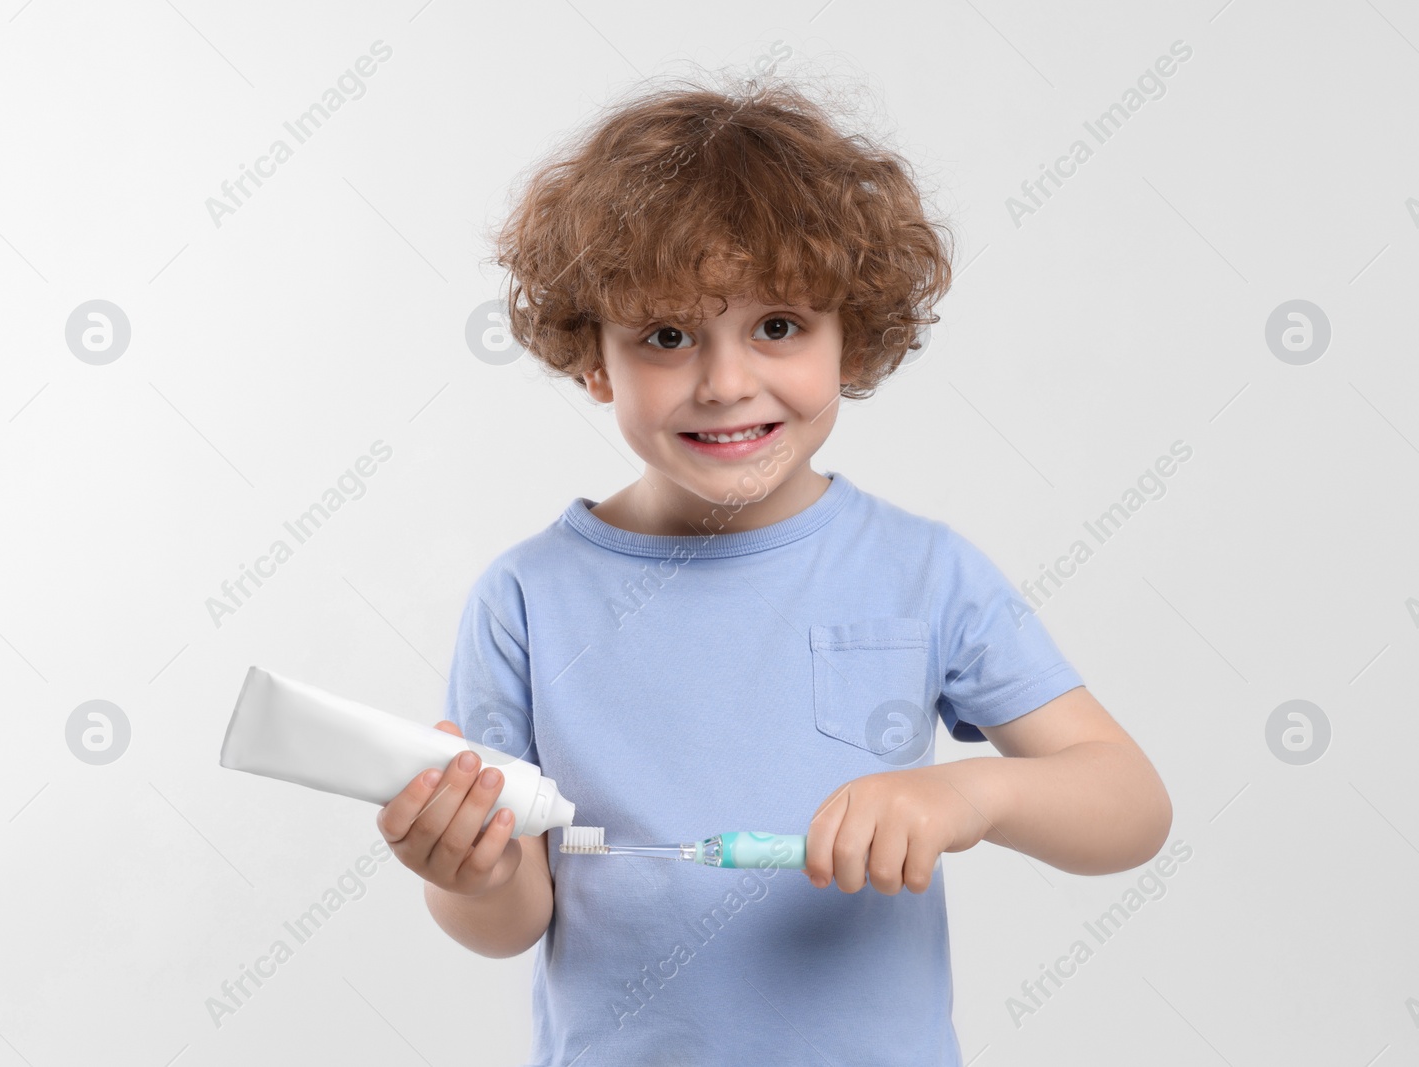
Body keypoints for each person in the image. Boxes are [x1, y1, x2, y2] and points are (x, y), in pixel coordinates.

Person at [376, 70, 1171, 1066]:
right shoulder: (527, 599)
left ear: (852, 339)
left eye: (778, 326)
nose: (725, 381)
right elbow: (509, 919)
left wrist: (965, 797)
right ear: (592, 357)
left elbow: (1130, 806)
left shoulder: (924, 571)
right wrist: (467, 870)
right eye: (666, 335)